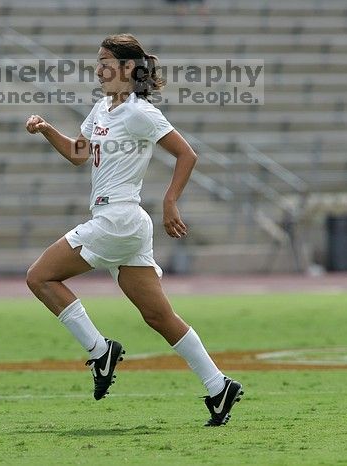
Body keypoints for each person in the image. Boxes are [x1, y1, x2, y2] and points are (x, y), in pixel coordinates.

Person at [25, 33, 243, 427]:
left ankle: (98, 350)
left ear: (128, 68)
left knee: (39, 277)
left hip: (118, 220)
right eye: (98, 60)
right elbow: (79, 154)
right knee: (160, 317)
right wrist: (46, 129)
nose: (98, 67)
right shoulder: (102, 108)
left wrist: (170, 200)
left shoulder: (140, 112)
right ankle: (218, 386)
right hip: (126, 227)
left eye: (106, 60)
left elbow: (186, 154)